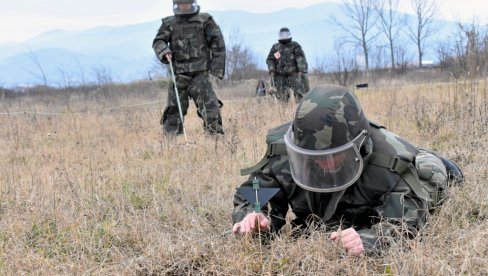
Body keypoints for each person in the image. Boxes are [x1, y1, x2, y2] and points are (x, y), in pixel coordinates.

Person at [232, 85, 463, 255]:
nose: (324, 164)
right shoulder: (284, 151)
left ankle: (433, 159)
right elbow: (254, 191)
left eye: (334, 156)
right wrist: (253, 216)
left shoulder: (389, 163)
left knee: (429, 177)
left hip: (411, 164)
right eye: (315, 158)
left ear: (357, 147)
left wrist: (372, 239)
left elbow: (406, 221)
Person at [152, 0, 226, 135]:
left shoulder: (205, 20)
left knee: (210, 109)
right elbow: (158, 41)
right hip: (179, 75)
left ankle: (216, 141)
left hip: (201, 74)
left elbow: (218, 45)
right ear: (176, 5)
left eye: (186, 3)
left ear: (192, 3)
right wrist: (164, 51)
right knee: (173, 111)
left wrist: (216, 71)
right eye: (181, 4)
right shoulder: (169, 23)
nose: (184, 6)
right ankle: (171, 143)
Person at [266, 27, 308, 103]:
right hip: (280, 75)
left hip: (294, 74)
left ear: (289, 34)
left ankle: (300, 110)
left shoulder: (295, 45)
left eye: (286, 34)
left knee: (300, 94)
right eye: (282, 34)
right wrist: (271, 68)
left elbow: (300, 57)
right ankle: (283, 112)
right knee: (281, 96)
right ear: (279, 35)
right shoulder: (275, 47)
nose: (284, 36)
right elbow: (270, 59)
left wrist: (301, 70)